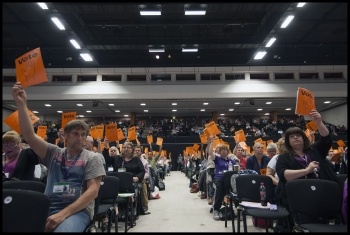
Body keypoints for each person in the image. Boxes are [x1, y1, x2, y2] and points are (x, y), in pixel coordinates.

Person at [12, 82, 106, 232]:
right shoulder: (53, 153)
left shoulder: (92, 158)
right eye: (75, 134)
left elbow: (93, 191)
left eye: (83, 135)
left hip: (78, 211)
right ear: (65, 136)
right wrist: (21, 105)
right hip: (47, 207)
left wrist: (62, 214)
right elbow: (29, 136)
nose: (80, 138)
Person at [276, 109, 342, 226]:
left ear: (303, 138)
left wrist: (319, 122)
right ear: (287, 141)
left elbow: (326, 139)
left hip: (323, 194)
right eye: (292, 137)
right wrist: (307, 170)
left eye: (298, 135)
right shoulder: (284, 157)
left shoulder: (314, 149)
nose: (296, 138)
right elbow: (284, 175)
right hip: (301, 198)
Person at [208, 135, 236, 221]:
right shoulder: (217, 159)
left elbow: (234, 153)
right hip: (218, 179)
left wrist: (237, 144)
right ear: (219, 152)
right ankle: (216, 209)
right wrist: (211, 142)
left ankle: (237, 209)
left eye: (225, 150)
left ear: (228, 152)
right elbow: (210, 153)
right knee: (220, 188)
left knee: (236, 187)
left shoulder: (230, 160)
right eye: (222, 150)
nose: (224, 151)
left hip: (228, 180)